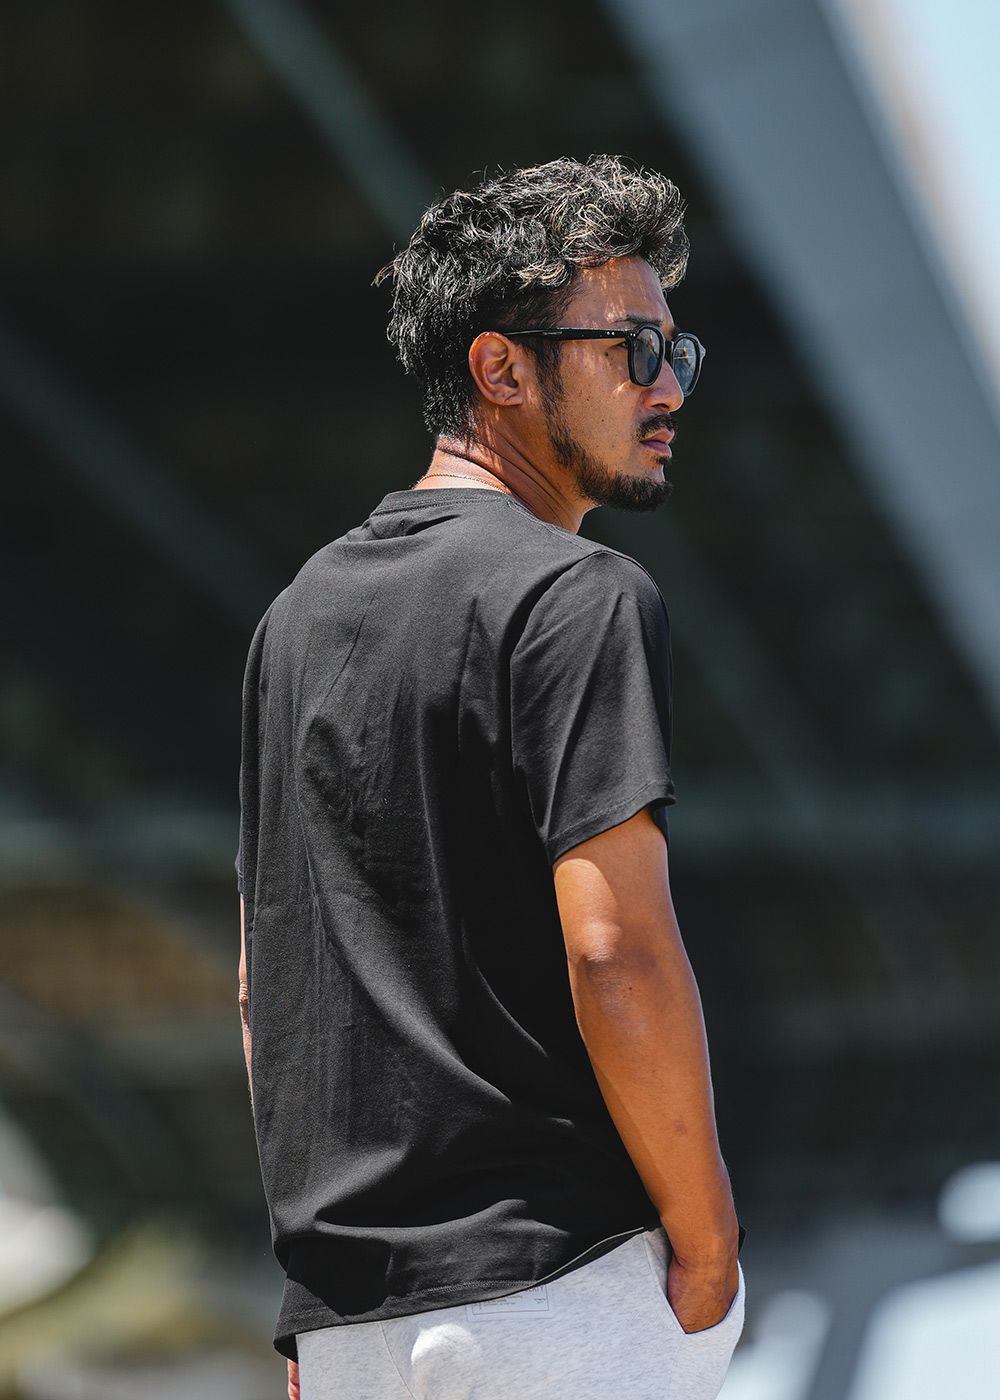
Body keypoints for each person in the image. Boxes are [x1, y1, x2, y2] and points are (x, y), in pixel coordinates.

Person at [236, 154, 747, 1400]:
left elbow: (266, 985)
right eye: (632, 348)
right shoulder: (578, 593)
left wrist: (322, 1312)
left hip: (352, 1324)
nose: (666, 386)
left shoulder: (294, 619)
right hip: (560, 1294)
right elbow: (614, 947)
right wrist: (708, 1240)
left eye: (676, 351)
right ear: (501, 369)